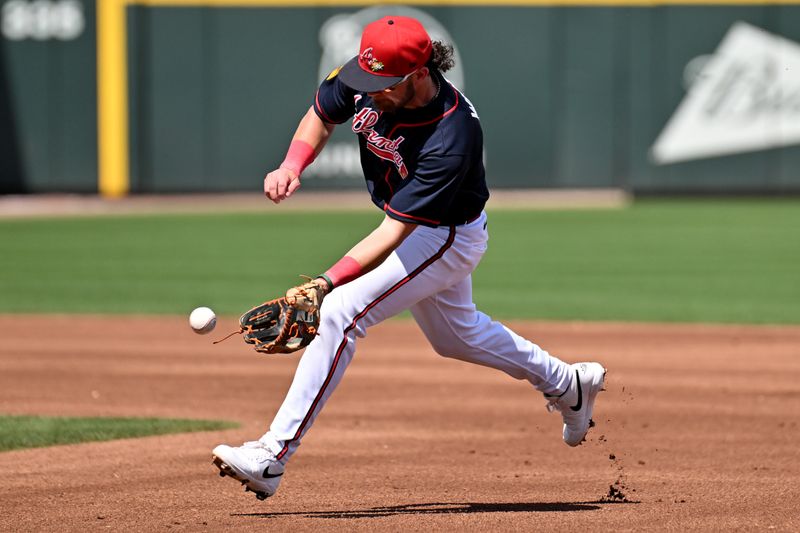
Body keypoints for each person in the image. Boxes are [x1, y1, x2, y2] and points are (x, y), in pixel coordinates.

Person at [212, 15, 606, 501]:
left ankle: (272, 456)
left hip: (445, 235)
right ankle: (568, 382)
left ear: (418, 73)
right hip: (419, 230)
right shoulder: (368, 76)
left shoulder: (452, 133)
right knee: (456, 337)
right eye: (366, 78)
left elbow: (395, 231)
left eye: (383, 84)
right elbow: (321, 112)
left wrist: (323, 284)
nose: (369, 91)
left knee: (338, 313)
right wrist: (292, 164)